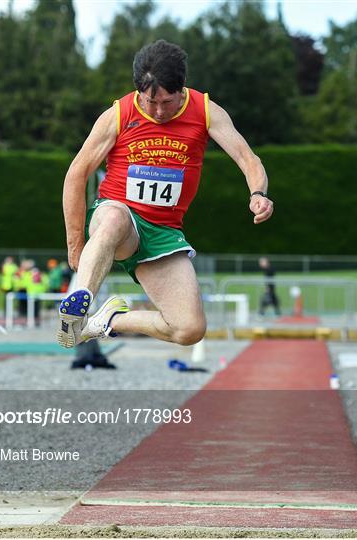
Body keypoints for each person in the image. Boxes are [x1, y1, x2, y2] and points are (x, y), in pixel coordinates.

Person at [57, 39, 273, 349]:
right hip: (118, 215)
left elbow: (247, 158)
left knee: (189, 329)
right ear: (138, 92)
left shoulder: (205, 111)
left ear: (182, 88)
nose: (158, 111)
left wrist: (258, 193)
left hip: (162, 232)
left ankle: (106, 321)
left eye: (167, 102)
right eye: (149, 101)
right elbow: (77, 174)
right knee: (115, 218)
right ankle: (76, 308)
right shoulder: (119, 114)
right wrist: (75, 244)